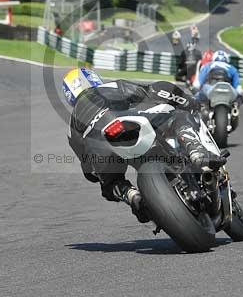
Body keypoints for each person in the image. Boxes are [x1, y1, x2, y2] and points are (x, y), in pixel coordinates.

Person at [63, 67, 226, 223]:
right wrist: (178, 100)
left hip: (100, 148)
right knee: (178, 116)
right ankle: (197, 152)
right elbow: (145, 93)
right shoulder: (109, 86)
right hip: (128, 123)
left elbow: (89, 171)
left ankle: (133, 196)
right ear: (92, 79)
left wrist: (99, 171)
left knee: (110, 185)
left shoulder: (71, 126)